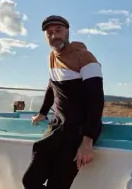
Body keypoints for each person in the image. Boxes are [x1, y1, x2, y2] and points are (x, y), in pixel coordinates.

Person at [22, 15, 105, 189]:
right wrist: (43, 112)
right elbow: (52, 86)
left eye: (58, 31)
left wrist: (87, 142)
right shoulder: (52, 56)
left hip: (77, 133)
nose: (54, 36)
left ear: (67, 31)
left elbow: (96, 101)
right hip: (57, 127)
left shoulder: (85, 57)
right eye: (49, 33)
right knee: (30, 180)